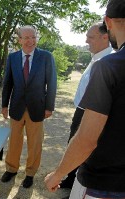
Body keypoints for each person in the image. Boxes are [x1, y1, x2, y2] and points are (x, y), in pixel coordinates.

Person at [45, 0, 125, 198]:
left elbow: (87, 140)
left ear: (108, 22)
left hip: (105, 184)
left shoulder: (109, 67)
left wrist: (57, 175)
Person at [1, 25, 57, 188]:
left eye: (33, 37)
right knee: (14, 141)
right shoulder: (13, 57)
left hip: (37, 107)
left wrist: (49, 107)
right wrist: (4, 105)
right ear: (19, 40)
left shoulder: (46, 57)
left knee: (35, 143)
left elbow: (52, 83)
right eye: (26, 38)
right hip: (16, 107)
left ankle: (30, 173)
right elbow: (7, 83)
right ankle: (11, 169)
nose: (30, 41)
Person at [59, 22, 113, 189]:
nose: (86, 41)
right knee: (73, 143)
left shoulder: (108, 62)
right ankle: (70, 180)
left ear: (105, 37)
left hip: (91, 112)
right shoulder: (96, 57)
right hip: (81, 110)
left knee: (82, 147)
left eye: (91, 37)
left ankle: (77, 185)